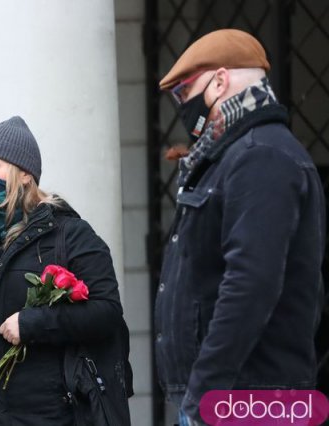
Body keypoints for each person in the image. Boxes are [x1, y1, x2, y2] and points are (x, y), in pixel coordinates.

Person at [155, 29, 326, 425]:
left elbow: (251, 284)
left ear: (220, 80)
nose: (183, 105)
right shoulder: (232, 156)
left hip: (246, 399)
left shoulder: (260, 156)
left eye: (185, 92)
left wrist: (204, 395)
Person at [0, 116, 132, 425]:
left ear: (24, 174)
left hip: (51, 416)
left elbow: (106, 311)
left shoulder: (70, 234)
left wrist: (34, 323)